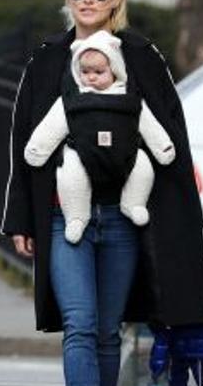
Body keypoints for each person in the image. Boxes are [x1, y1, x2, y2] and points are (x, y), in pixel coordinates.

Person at [1, 0, 203, 386]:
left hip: (122, 213)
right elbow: (25, 143)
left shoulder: (140, 57)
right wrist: (20, 218)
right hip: (62, 214)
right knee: (80, 320)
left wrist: (181, 211)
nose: (88, 1)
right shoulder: (48, 60)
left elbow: (170, 138)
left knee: (109, 327)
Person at [23, 29, 175, 242]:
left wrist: (163, 147)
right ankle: (76, 216)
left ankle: (133, 203)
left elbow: (148, 123)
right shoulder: (72, 100)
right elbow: (53, 125)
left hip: (126, 154)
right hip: (81, 154)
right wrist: (38, 148)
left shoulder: (129, 99)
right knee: (70, 172)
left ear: (115, 69)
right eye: (85, 72)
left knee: (143, 166)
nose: (91, 77)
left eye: (98, 72)